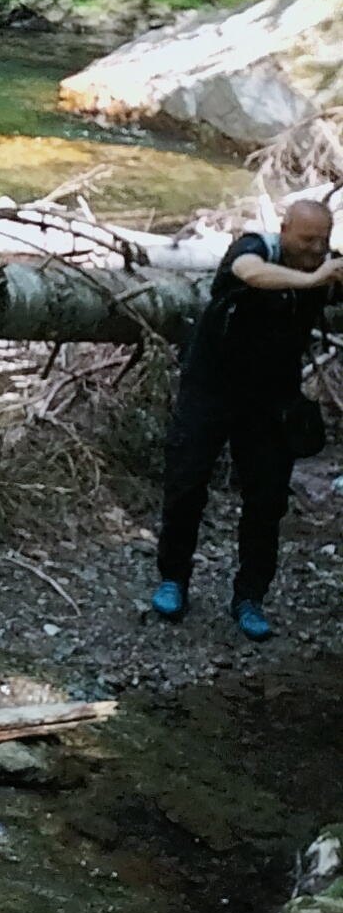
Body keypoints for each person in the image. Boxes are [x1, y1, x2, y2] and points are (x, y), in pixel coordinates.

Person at [153, 194, 343, 638]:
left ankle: (250, 598)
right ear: (285, 231)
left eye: (324, 241)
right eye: (307, 239)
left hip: (271, 399)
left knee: (266, 501)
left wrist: (325, 275)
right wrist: (313, 277)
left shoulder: (327, 266)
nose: (316, 249)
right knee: (185, 485)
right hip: (211, 388)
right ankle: (173, 580)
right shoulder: (252, 250)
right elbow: (250, 275)